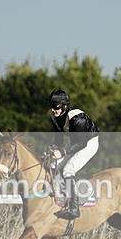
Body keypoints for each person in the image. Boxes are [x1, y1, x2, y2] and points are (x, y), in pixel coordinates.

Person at [48, 89, 99, 220]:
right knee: (53, 163)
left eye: (56, 107)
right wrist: (52, 150)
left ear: (64, 106)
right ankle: (60, 195)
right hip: (76, 143)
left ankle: (74, 208)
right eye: (51, 107)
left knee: (68, 169)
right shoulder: (56, 118)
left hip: (89, 143)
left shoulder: (78, 118)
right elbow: (59, 139)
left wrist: (63, 152)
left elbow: (82, 144)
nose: (53, 110)